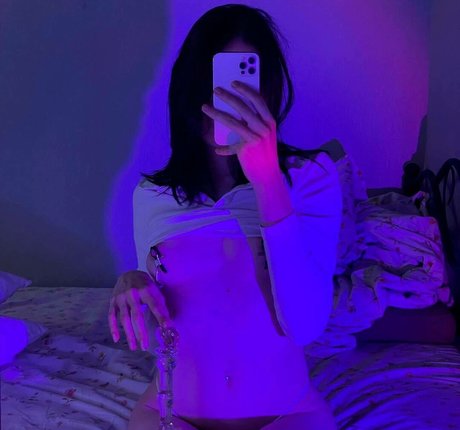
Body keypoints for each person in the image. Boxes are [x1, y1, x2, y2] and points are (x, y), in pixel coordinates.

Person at [108, 4, 342, 430]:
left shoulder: (311, 179)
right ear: (189, 89)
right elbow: (167, 324)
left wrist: (267, 180)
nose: (226, 102)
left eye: (243, 84)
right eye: (214, 83)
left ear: (267, 90)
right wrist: (135, 281)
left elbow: (305, 324)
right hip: (170, 415)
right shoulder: (152, 196)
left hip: (288, 414)